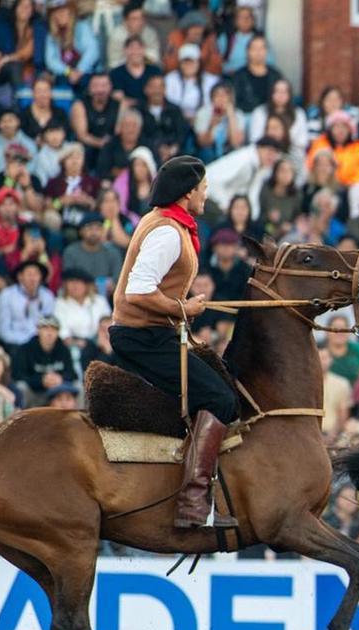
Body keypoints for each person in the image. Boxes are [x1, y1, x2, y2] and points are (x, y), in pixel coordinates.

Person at [108, 155, 239, 530]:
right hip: (142, 335)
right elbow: (137, 291)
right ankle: (193, 502)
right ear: (187, 193)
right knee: (219, 398)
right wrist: (183, 307)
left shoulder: (167, 224)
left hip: (150, 331)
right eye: (203, 189)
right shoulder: (167, 232)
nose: (205, 195)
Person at [12, 314, 76, 405]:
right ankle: (22, 417)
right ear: (38, 330)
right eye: (45, 328)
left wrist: (60, 379)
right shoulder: (25, 349)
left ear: (58, 332)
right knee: (21, 387)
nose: (49, 333)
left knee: (78, 386)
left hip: (58, 395)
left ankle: (79, 417)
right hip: (35, 393)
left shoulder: (64, 349)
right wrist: (41, 381)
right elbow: (18, 375)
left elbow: (72, 373)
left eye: (53, 329)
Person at [0, 259, 55, 347]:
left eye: (36, 274)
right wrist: (26, 343)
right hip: (15, 343)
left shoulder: (47, 296)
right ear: (20, 277)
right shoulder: (6, 295)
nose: (33, 278)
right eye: (29, 274)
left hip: (40, 344)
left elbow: (48, 325)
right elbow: (3, 331)